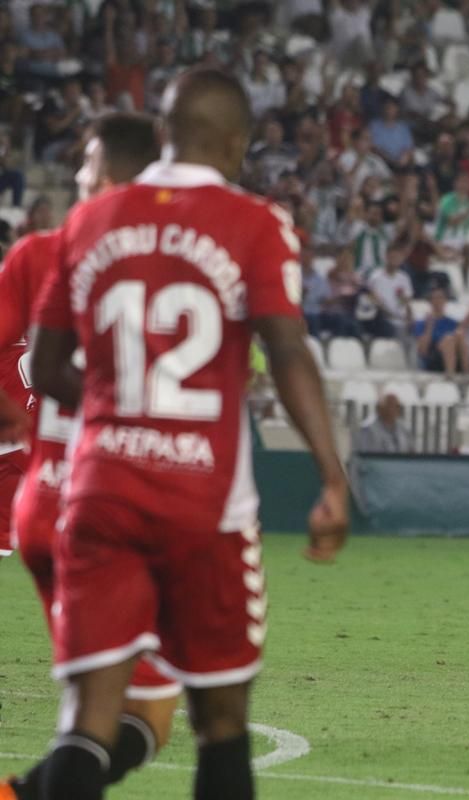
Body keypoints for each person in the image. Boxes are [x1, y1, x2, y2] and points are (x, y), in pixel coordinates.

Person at [24, 68, 348, 800]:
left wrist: (119, 409)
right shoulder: (256, 223)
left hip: (101, 490)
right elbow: (288, 349)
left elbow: (44, 365)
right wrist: (332, 474)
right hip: (206, 506)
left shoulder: (91, 220)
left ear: (165, 133)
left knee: (86, 722)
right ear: (236, 141)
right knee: (220, 719)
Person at [0, 113, 189, 800]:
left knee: (104, 712)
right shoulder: (175, 273)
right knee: (136, 716)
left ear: (107, 175)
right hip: (120, 513)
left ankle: (23, 793)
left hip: (45, 504)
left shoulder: (39, 255)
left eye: (83, 165)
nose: (77, 177)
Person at [413, 286, 460, 374]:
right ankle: (451, 373)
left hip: (454, 357)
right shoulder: (422, 323)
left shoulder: (453, 323)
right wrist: (429, 327)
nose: (437, 301)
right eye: (434, 298)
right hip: (433, 359)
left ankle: (467, 373)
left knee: (459, 335)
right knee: (448, 340)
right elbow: (423, 351)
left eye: (440, 298)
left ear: (445, 301)